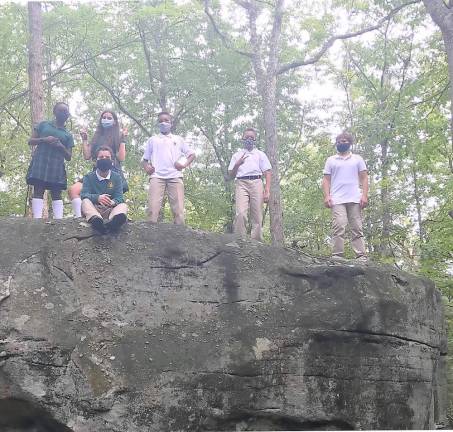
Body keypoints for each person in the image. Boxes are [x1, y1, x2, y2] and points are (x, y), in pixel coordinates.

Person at [68, 110, 127, 217]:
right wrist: (84, 139)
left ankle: (114, 218)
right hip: (96, 174)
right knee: (73, 190)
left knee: (113, 200)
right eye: (104, 117)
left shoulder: (117, 136)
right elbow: (87, 156)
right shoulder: (97, 136)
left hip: (112, 174)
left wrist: (123, 140)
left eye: (109, 118)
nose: (106, 120)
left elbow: (121, 157)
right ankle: (78, 218)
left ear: (114, 122)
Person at [142, 111, 195, 224]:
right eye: (161, 121)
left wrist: (183, 165)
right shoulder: (153, 140)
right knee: (152, 209)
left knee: (179, 211)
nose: (163, 123)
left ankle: (180, 236)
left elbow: (191, 155)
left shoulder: (178, 139)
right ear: (158, 124)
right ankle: (149, 237)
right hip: (157, 176)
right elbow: (145, 160)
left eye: (166, 120)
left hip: (175, 176)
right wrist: (147, 168)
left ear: (171, 123)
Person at [322, 131, 368, 260]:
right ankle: (337, 255)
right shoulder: (331, 160)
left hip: (354, 197)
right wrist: (327, 196)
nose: (342, 143)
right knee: (339, 225)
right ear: (336, 143)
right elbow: (326, 180)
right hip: (337, 198)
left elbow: (364, 178)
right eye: (339, 141)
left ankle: (361, 255)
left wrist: (364, 195)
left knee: (357, 227)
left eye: (344, 141)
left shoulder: (357, 159)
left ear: (350, 143)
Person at [26, 102, 74, 219]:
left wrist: (61, 146)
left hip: (56, 164)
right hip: (41, 160)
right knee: (38, 188)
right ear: (54, 112)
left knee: (56, 191)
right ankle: (37, 219)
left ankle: (59, 220)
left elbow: (68, 157)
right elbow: (30, 141)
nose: (64, 113)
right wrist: (44, 139)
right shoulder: (44, 125)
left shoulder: (68, 135)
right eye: (61, 110)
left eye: (66, 111)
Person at [228, 127, 272, 241]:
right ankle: (239, 240)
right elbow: (231, 175)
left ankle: (256, 242)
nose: (249, 139)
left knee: (257, 215)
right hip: (241, 183)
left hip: (257, 182)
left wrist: (267, 190)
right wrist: (237, 164)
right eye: (247, 137)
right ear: (242, 138)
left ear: (255, 139)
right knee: (241, 213)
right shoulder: (236, 155)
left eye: (251, 137)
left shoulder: (260, 154)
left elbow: (267, 172)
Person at [81, 146, 127, 234]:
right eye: (101, 157)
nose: (104, 159)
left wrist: (112, 202)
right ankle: (96, 221)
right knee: (85, 202)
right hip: (94, 208)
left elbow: (120, 197)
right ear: (96, 160)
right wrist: (98, 198)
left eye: (107, 157)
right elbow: (84, 194)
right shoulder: (88, 177)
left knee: (123, 205)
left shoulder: (116, 177)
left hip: (110, 209)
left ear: (112, 161)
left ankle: (114, 222)